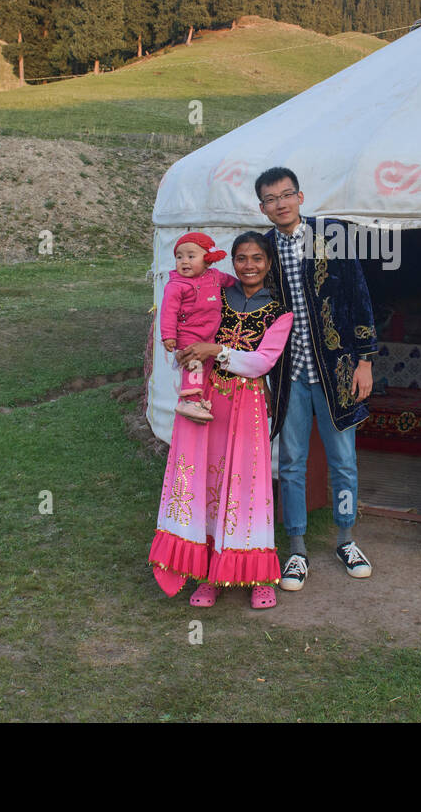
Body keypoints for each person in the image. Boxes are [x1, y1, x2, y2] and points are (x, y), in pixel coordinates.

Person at [149, 232, 293, 610]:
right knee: (204, 482)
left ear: (268, 263)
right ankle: (208, 572)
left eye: (257, 258)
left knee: (247, 488)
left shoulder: (280, 309)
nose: (249, 265)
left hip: (248, 405)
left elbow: (263, 361)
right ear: (230, 261)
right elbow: (183, 326)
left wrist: (217, 350)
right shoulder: (213, 294)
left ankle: (259, 576)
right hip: (205, 400)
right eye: (242, 258)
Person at [258, 167, 378, 591]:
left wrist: (365, 361)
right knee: (291, 464)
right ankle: (296, 548)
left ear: (300, 196)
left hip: (337, 372)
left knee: (343, 460)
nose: (280, 203)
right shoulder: (262, 250)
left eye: (286, 195)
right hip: (289, 377)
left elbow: (358, 298)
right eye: (271, 199)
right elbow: (255, 311)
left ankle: (346, 539)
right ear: (262, 207)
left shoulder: (331, 236)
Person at [160, 232, 236, 422]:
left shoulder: (215, 276)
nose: (184, 261)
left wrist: (247, 288)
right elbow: (168, 311)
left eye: (191, 256)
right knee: (194, 365)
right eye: (179, 257)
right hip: (188, 334)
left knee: (206, 365)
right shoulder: (176, 285)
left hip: (209, 335)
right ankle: (189, 401)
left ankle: (197, 398)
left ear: (207, 260)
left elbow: (233, 283)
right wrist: (168, 336)